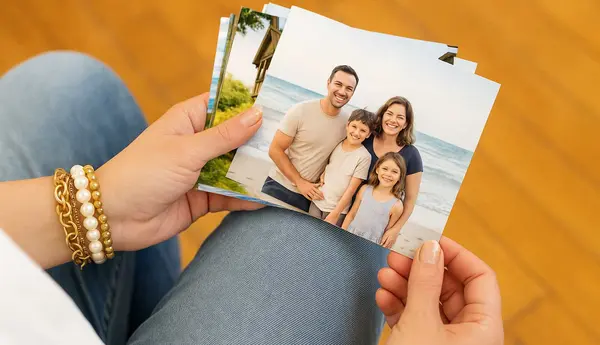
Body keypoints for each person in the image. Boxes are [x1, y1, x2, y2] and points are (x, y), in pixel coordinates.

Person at [0, 52, 504, 345]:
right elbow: (336, 174)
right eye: (383, 114)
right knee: (304, 238)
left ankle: (163, 317)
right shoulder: (344, 130)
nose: (387, 121)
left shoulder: (404, 153)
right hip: (310, 198)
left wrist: (99, 201)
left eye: (352, 90)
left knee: (71, 87)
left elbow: (385, 191)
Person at [261, 65, 359, 212]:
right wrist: (299, 182)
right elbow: (275, 150)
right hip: (279, 186)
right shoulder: (301, 110)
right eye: (338, 84)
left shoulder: (348, 125)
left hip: (311, 198)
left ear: (352, 93)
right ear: (328, 83)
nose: (342, 92)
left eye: (349, 88)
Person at [362, 96, 423, 248]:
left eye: (400, 117)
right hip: (352, 211)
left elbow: (410, 199)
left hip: (380, 223)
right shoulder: (366, 137)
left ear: (405, 124)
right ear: (382, 115)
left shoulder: (411, 155)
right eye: (389, 113)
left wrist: (396, 229)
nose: (393, 120)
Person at [308, 109, 373, 227]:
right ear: (347, 125)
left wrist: (336, 213)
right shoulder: (338, 143)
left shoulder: (364, 157)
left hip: (337, 210)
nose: (357, 133)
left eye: (363, 130)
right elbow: (329, 165)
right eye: (354, 126)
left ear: (368, 134)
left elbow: (351, 190)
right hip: (317, 202)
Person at [342, 153, 406, 245]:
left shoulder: (397, 205)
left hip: (371, 245)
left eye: (394, 172)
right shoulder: (364, 189)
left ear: (400, 177)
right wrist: (341, 234)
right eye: (385, 169)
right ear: (377, 170)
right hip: (349, 235)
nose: (388, 174)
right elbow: (351, 214)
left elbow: (388, 233)